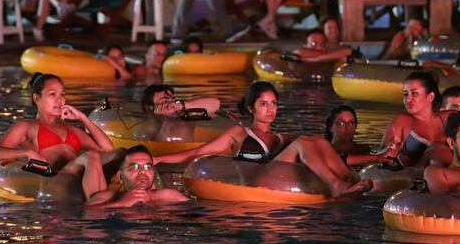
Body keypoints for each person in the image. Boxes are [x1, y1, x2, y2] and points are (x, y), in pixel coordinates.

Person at [154, 82, 369, 197]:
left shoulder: (281, 137)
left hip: (279, 179)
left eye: (274, 103)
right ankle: (336, 184)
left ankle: (350, 181)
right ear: (251, 108)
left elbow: (323, 151)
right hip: (256, 181)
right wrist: (159, 159)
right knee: (304, 140)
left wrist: (374, 158)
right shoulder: (239, 133)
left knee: (317, 140)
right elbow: (196, 153)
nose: (270, 109)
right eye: (264, 104)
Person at [0, 73, 116, 203]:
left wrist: (82, 118)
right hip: (55, 181)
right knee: (91, 156)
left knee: (118, 153)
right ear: (37, 98)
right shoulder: (26, 126)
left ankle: (99, 202)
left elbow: (108, 149)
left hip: (78, 179)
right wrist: (28, 152)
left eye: (62, 95)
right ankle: (96, 208)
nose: (59, 100)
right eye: (52, 94)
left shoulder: (72, 130)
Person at [381, 71, 453, 167]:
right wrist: (391, 151)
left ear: (430, 96)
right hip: (415, 177)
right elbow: (381, 160)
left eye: (414, 93)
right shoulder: (402, 121)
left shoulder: (449, 118)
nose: (408, 99)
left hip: (446, 176)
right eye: (405, 94)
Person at [90, 145, 189, 208]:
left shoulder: (169, 196)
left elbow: (195, 214)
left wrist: (151, 204)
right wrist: (121, 204)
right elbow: (86, 214)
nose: (142, 171)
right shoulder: (105, 197)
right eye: (135, 167)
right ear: (120, 175)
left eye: (147, 167)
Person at [325, 105, 397, 167]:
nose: (347, 128)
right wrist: (375, 158)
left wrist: (389, 148)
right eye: (341, 123)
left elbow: (381, 157)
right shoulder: (324, 149)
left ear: (356, 126)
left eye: (351, 123)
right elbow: (336, 160)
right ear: (330, 127)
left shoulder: (362, 149)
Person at [141, 84, 221, 117]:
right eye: (165, 101)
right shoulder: (149, 125)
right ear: (150, 109)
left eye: (173, 99)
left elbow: (215, 103)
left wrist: (181, 106)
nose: (171, 104)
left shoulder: (182, 116)